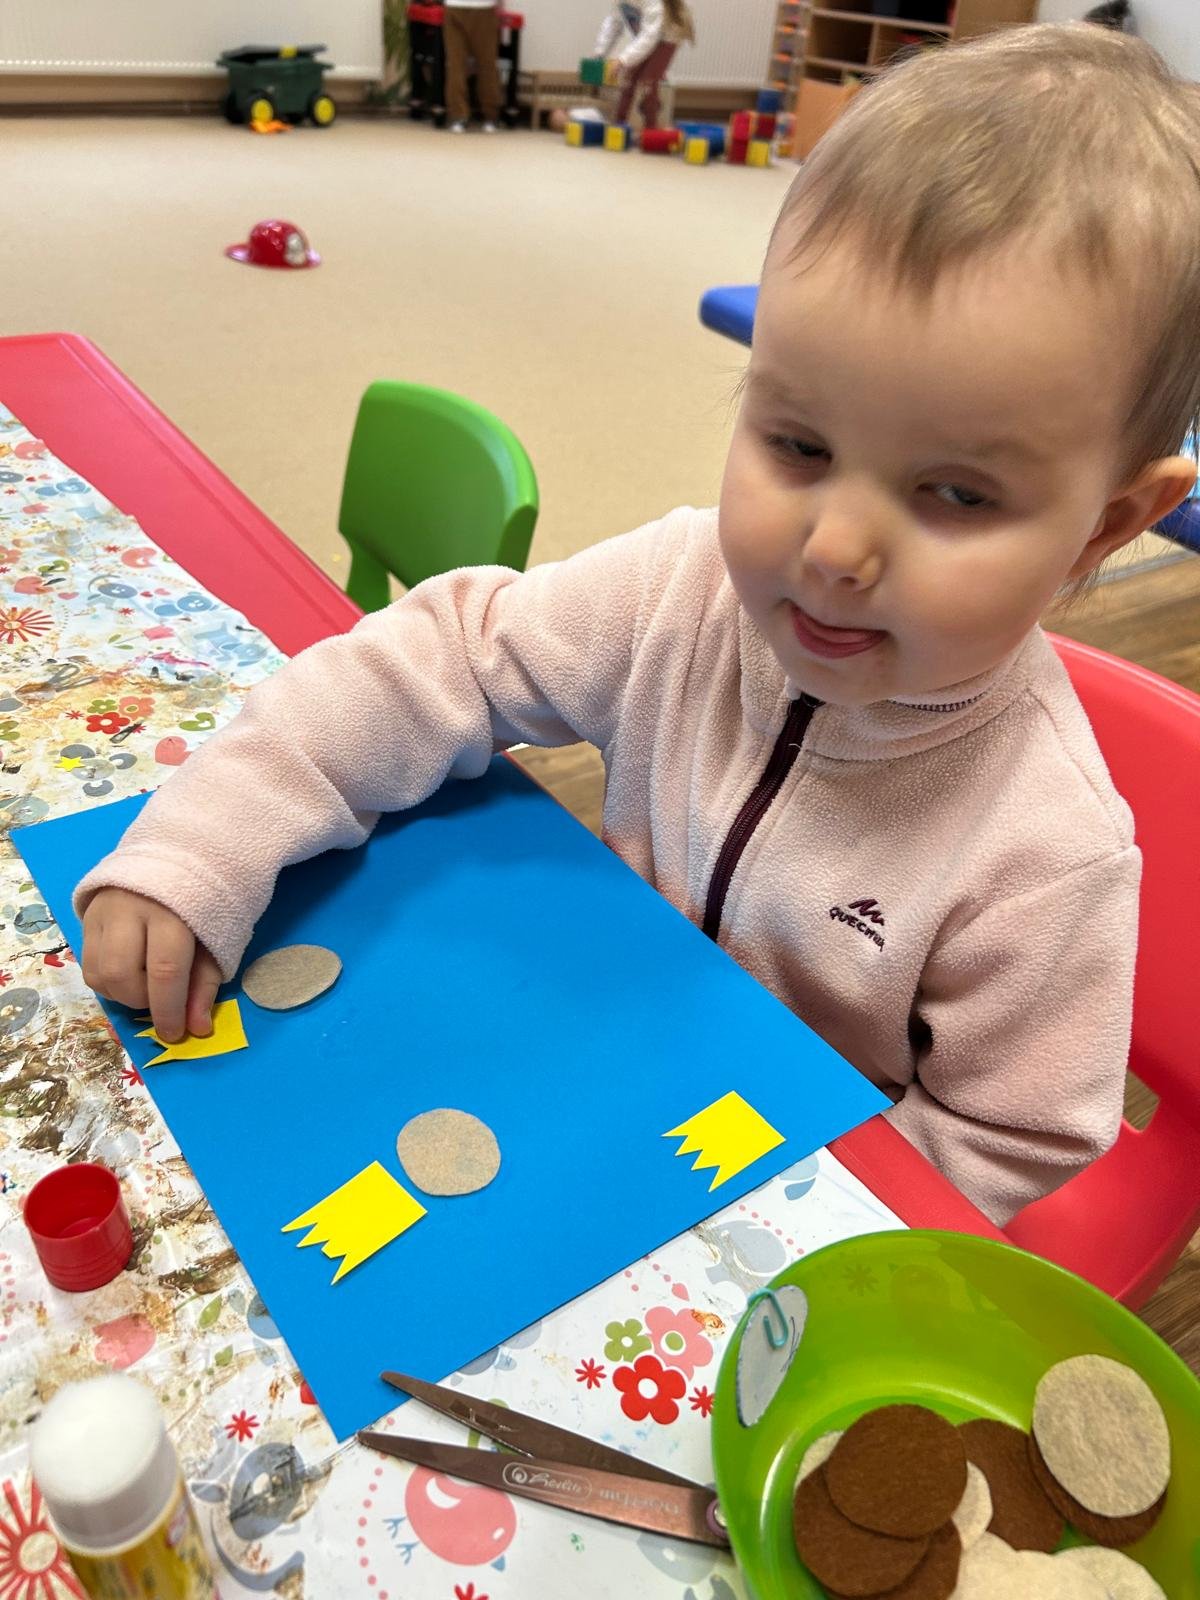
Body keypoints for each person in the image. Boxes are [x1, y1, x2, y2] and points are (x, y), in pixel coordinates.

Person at [77, 26, 1199, 1227]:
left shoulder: (1048, 850)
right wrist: (208, 841)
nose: (834, 549)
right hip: (591, 1035)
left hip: (785, 1198)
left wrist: (793, 1210)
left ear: (1104, 528)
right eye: (798, 444)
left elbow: (1011, 1131)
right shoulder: (683, 586)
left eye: (957, 495)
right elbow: (443, 655)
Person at [594, 1, 695, 129]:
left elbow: (649, 37)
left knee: (648, 82)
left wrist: (622, 60)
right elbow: (613, 24)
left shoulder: (654, 3)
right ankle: (619, 125)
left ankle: (651, 127)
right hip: (648, 32)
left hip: (669, 35)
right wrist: (599, 52)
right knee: (628, 80)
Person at [445, 0, 502, 134]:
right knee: (486, 63)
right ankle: (490, 115)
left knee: (456, 64)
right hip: (483, 7)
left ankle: (458, 116)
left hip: (455, 6)